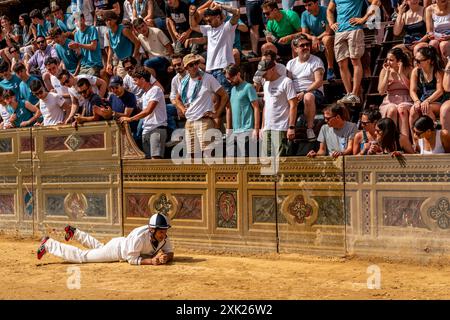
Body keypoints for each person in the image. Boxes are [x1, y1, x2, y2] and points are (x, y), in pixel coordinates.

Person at [37, 213, 174, 266]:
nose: (164, 234)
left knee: (99, 248)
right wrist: (151, 261)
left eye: (164, 231)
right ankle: (49, 244)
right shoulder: (139, 236)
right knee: (83, 257)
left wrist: (166, 257)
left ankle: (75, 233)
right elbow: (131, 260)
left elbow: (170, 252)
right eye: (161, 232)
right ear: (152, 230)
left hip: (119, 244)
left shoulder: (164, 237)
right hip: (116, 251)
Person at [174, 53, 228, 157]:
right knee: (192, 156)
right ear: (186, 68)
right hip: (190, 121)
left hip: (204, 121)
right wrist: (182, 109)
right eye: (191, 65)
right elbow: (177, 99)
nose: (194, 66)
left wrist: (216, 114)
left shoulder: (208, 78)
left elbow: (224, 95)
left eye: (196, 63)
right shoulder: (184, 81)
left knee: (207, 155)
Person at [189, 2, 239, 96]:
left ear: (218, 17)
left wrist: (220, 6)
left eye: (210, 20)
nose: (208, 23)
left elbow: (236, 12)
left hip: (223, 69)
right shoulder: (208, 28)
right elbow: (193, 26)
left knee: (227, 98)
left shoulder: (227, 27)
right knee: (214, 101)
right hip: (209, 71)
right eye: (207, 21)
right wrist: (191, 14)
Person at [119, 67, 168, 159]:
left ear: (142, 79)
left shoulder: (156, 89)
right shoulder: (144, 95)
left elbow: (148, 111)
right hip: (146, 131)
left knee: (156, 162)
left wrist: (130, 119)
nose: (134, 83)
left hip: (156, 129)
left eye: (135, 80)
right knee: (148, 163)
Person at [286, 35, 325, 142]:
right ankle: (287, 129)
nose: (305, 47)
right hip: (295, 93)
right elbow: (287, 82)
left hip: (313, 92)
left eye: (307, 44)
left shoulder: (316, 61)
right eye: (302, 45)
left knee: (308, 97)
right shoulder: (290, 63)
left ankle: (309, 129)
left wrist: (304, 92)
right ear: (295, 49)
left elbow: (318, 81)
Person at [327, 0, 366, 104]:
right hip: (339, 31)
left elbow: (376, 2)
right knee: (341, 64)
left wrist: (363, 19)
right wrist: (331, 23)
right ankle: (349, 94)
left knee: (355, 60)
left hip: (354, 29)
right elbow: (329, 10)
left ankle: (355, 94)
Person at [257, 57, 297, 157]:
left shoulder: (286, 82)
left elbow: (293, 105)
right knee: (266, 163)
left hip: (281, 128)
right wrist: (262, 127)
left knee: (279, 163)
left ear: (273, 69)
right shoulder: (266, 84)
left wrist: (291, 127)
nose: (263, 77)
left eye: (264, 73)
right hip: (267, 127)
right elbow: (266, 106)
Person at [409, 46, 449, 131]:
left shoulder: (437, 71)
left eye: (419, 61)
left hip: (438, 101)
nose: (416, 63)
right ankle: (415, 140)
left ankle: (434, 135)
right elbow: (412, 90)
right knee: (413, 110)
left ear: (429, 61)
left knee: (426, 108)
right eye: (415, 59)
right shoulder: (416, 71)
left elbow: (440, 91)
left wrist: (427, 101)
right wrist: (416, 101)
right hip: (423, 100)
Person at [224, 64, 260, 157]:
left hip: (247, 131)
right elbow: (231, 108)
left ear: (238, 74)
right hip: (235, 132)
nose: (229, 81)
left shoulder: (248, 87)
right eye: (227, 78)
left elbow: (256, 107)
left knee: (248, 162)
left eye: (231, 78)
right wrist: (229, 129)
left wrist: (256, 129)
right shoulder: (232, 90)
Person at [378, 47, 414, 140]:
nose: (388, 62)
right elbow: (381, 91)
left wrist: (400, 73)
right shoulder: (384, 70)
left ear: (399, 61)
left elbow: (411, 88)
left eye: (391, 60)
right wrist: (386, 73)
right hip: (390, 100)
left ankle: (405, 140)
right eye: (387, 59)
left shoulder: (409, 69)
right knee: (392, 109)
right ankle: (391, 141)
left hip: (406, 98)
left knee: (402, 109)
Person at [300, 0, 336, 81]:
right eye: (305, 6)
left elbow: (328, 31)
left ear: (316, 3)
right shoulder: (304, 14)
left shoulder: (326, 10)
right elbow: (304, 33)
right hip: (315, 39)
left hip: (329, 38)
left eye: (309, 5)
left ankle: (330, 69)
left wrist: (317, 39)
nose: (307, 8)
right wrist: (313, 38)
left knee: (326, 39)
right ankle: (302, 71)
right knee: (298, 43)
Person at [104, 11, 141, 77]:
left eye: (110, 19)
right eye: (106, 20)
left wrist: (133, 57)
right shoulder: (108, 34)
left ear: (115, 20)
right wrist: (108, 63)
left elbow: (137, 43)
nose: (108, 22)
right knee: (120, 82)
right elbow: (111, 49)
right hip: (122, 61)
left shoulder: (124, 30)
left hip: (132, 57)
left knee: (135, 79)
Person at [70, 12, 104, 77]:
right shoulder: (76, 34)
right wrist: (74, 48)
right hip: (83, 65)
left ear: (84, 20)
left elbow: (93, 47)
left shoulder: (92, 29)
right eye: (77, 21)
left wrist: (79, 45)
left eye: (81, 20)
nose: (79, 22)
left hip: (94, 64)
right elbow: (80, 53)